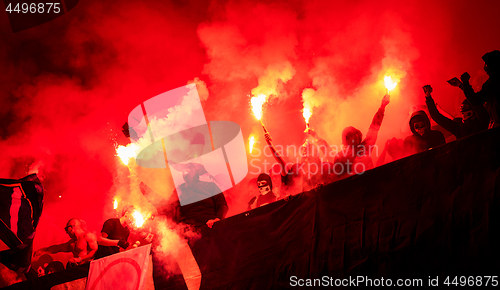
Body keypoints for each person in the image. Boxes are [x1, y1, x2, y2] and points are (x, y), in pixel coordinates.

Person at [141, 162, 228, 230]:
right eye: (184, 171)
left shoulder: (210, 186)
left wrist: (217, 219)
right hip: (187, 230)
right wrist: (148, 193)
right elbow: (168, 209)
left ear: (195, 173)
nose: (185, 173)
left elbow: (222, 204)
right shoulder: (179, 189)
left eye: (188, 170)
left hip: (210, 225)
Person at [333, 93, 390, 178]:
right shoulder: (340, 156)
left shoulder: (364, 147)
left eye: (357, 134)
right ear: (346, 139)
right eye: (352, 135)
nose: (356, 137)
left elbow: (374, 127)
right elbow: (337, 178)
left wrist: (382, 107)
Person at [448, 50, 500, 128]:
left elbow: (475, 100)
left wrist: (465, 83)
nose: (485, 68)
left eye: (487, 64)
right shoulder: (492, 83)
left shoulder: (492, 83)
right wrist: (462, 86)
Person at [423, 85, 489, 139]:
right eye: (462, 108)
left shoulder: (481, 121)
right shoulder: (459, 127)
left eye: (465, 107)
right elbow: (437, 117)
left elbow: (476, 105)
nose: (462, 110)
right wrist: (428, 97)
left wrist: (464, 87)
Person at [33, 218, 97, 268]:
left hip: (88, 268)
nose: (66, 232)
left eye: (67, 229)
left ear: (72, 227)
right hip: (78, 269)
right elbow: (57, 248)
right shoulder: (72, 243)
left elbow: (94, 251)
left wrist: (80, 259)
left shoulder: (88, 236)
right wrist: (42, 250)